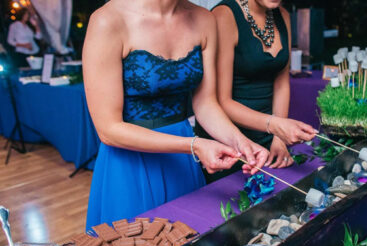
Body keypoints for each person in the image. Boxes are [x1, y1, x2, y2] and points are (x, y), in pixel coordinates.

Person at [82, 0, 268, 230]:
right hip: (131, 165)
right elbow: (108, 130)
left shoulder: (204, 19)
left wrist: (241, 142)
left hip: (183, 159)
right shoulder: (108, 20)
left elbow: (206, 105)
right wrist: (194, 145)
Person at [194, 0, 317, 183]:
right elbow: (221, 102)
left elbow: (281, 83)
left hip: (271, 135)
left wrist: (278, 138)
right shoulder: (225, 15)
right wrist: (275, 125)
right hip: (229, 140)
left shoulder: (282, 15)